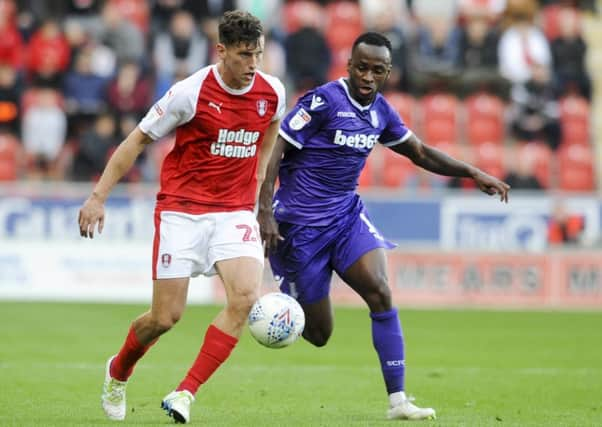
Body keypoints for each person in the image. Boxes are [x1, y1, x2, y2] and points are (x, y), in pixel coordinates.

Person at [257, 32, 510, 421]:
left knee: (380, 291)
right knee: (319, 335)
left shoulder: (381, 112)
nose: (368, 77)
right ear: (349, 65)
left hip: (344, 217)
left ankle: (398, 401)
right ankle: (268, 311)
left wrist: (473, 173)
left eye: (378, 70)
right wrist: (265, 212)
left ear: (388, 72)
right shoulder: (323, 101)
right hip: (300, 227)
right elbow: (278, 149)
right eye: (362, 67)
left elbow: (420, 153)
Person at [78, 10, 285, 424]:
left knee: (244, 299)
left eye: (258, 55)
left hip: (233, 212)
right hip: (182, 211)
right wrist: (98, 197)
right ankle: (118, 371)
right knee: (165, 318)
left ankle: (185, 392)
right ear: (221, 51)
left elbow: (271, 133)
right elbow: (137, 139)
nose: (252, 65)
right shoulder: (189, 93)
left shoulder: (272, 92)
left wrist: (261, 195)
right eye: (244, 56)